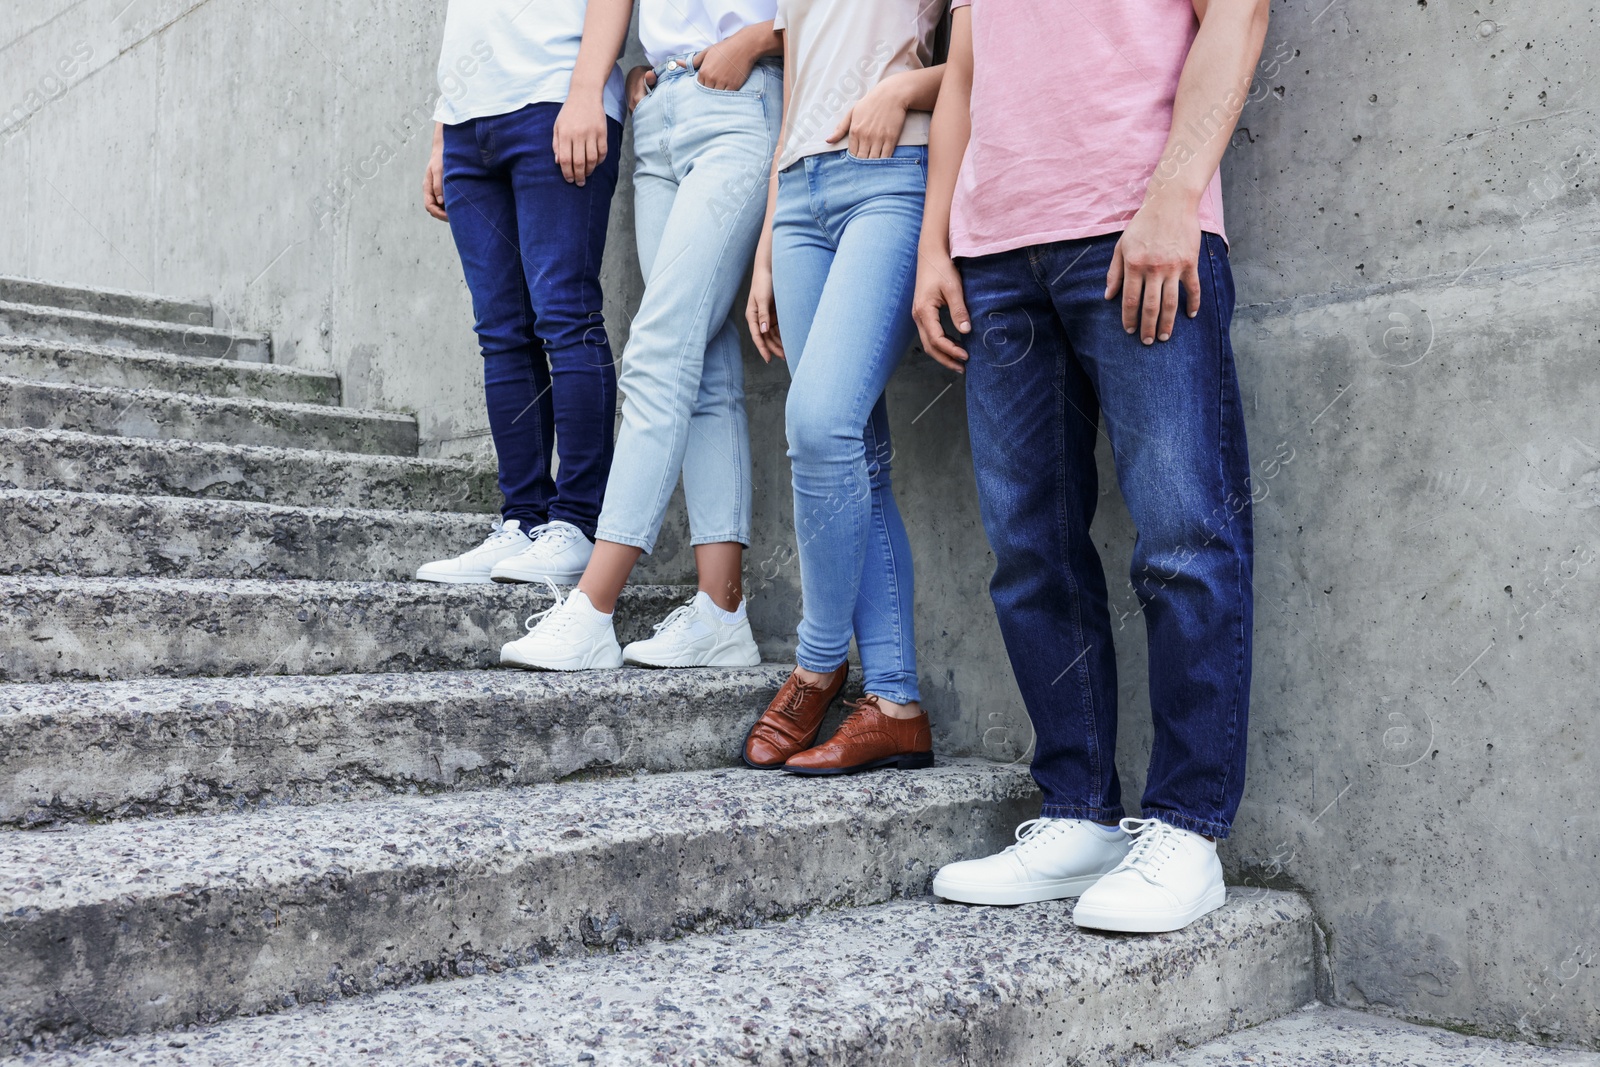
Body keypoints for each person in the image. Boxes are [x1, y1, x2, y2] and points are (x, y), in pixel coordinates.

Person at [919, 0, 1270, 933]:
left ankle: (1189, 828)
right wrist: (936, 245)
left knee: (1183, 538)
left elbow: (1238, 15)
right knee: (1029, 552)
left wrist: (1175, 195)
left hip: (1136, 227)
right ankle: (1077, 810)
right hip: (995, 255)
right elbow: (963, 75)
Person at [499, 2, 783, 671]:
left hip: (740, 105)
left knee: (656, 352)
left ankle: (594, 607)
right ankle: (722, 612)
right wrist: (645, 68)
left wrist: (760, 40)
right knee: (702, 360)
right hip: (661, 110)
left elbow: (839, 18)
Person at [737, 0, 950, 775]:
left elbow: (1000, 53)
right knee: (859, 453)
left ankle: (818, 662)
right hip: (796, 199)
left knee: (821, 423)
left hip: (890, 175)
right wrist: (764, 249)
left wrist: (905, 91)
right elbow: (796, 96)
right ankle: (896, 704)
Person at [416, 0, 632, 586]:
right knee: (501, 334)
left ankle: (576, 525)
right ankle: (522, 522)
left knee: (566, 318)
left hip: (553, 99)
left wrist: (586, 90)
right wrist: (444, 128)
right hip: (468, 125)